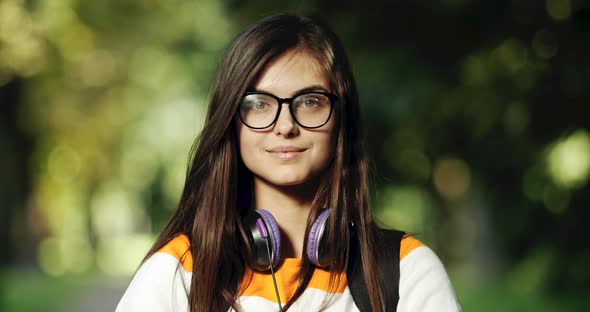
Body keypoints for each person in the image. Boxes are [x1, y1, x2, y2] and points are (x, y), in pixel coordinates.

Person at [115, 14, 460, 312]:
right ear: (230, 122)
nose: (285, 126)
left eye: (310, 101)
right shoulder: (179, 273)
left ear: (341, 118)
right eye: (258, 103)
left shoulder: (405, 271)